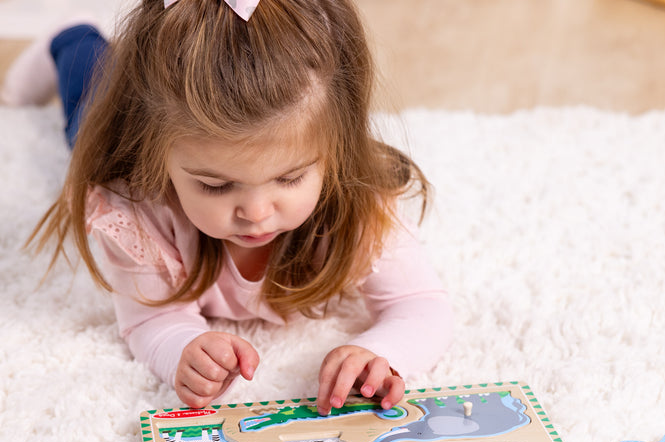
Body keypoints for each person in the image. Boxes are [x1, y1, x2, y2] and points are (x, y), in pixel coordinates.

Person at [7, 0, 452, 412]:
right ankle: (71, 40)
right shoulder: (139, 208)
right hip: (125, 122)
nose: (256, 212)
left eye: (290, 177)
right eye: (216, 186)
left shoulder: (356, 200)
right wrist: (183, 347)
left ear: (336, 147)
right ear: (157, 156)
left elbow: (421, 306)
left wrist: (382, 353)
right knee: (90, 109)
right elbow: (150, 321)